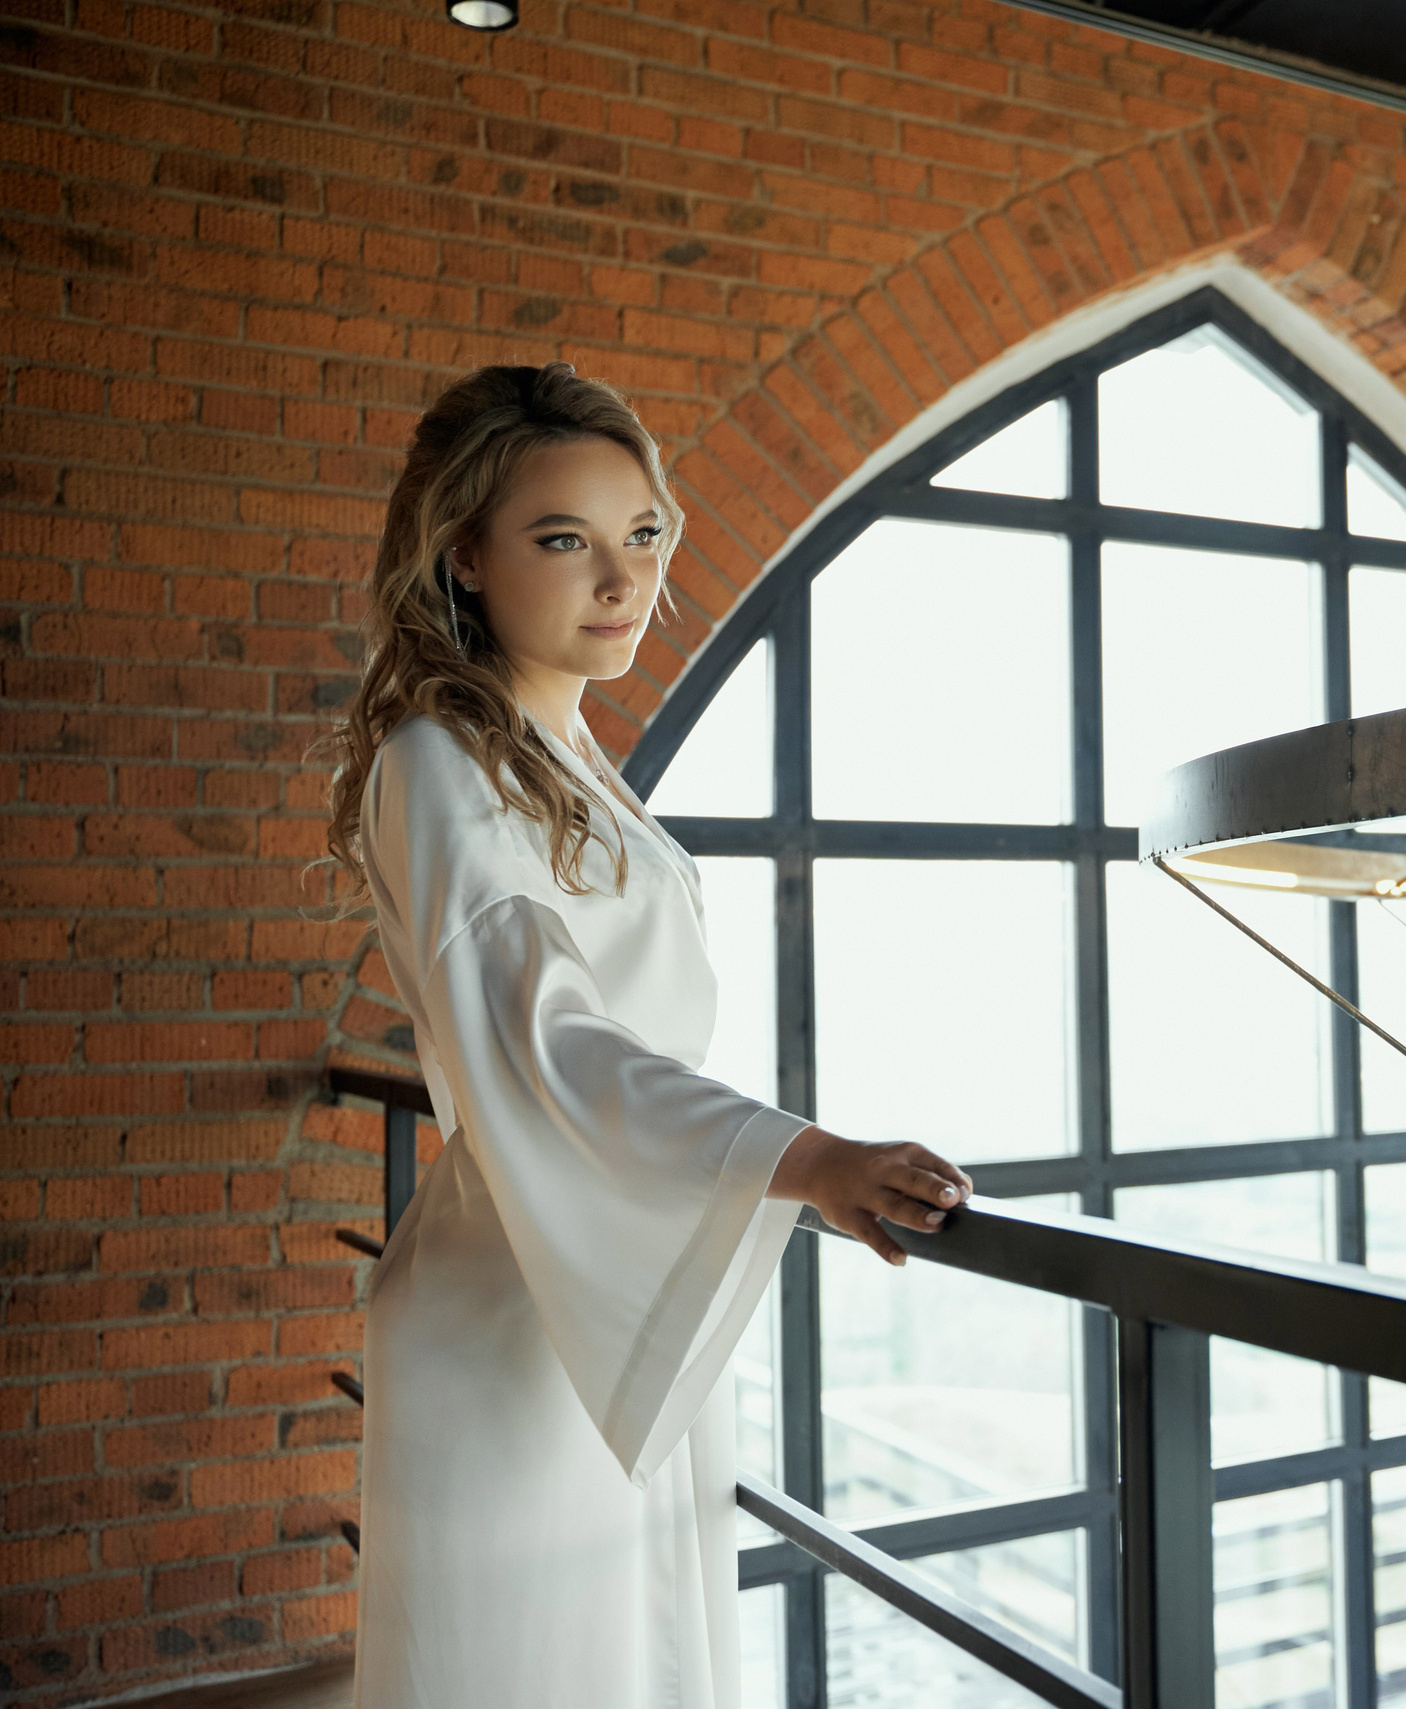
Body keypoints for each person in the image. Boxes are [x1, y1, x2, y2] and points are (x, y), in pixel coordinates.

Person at [320, 361, 972, 1707]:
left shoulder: (564, 756)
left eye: (643, 536)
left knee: (635, 1657)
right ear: (466, 556)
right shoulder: (436, 761)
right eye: (565, 539)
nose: (620, 579)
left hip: (615, 1273)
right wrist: (804, 1157)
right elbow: (544, 1036)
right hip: (511, 1316)